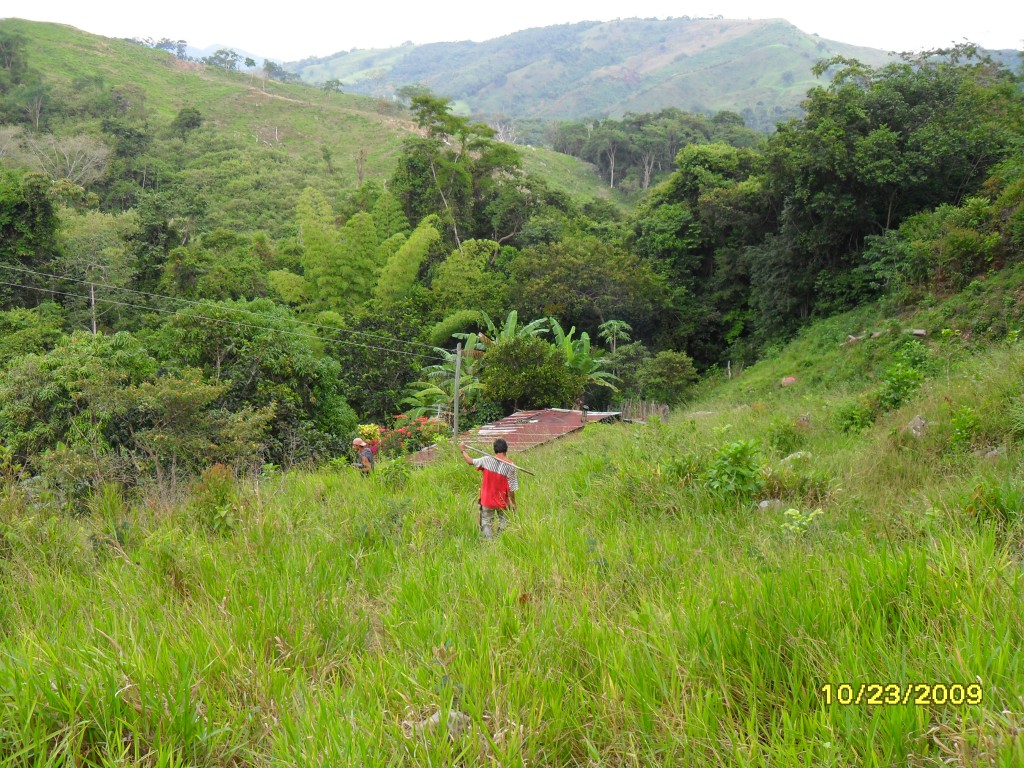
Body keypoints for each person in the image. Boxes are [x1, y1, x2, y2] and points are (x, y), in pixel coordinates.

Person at [460, 439, 518, 539]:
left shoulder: (486, 460)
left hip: (487, 500)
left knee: (486, 522)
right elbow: (511, 489)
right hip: (503, 501)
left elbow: (470, 461)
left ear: (494, 450)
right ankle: (500, 541)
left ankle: (489, 542)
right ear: (506, 450)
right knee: (504, 522)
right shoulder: (510, 466)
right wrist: (513, 503)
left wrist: (462, 450)